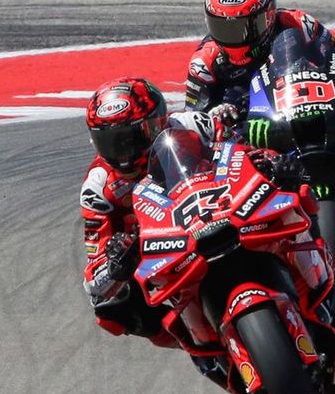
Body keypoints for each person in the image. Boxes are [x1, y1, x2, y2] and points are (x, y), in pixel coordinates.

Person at [186, 0, 335, 308]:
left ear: (267, 17)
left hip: (305, 111)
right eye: (223, 27)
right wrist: (217, 117)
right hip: (253, 136)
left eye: (244, 26)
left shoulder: (300, 26)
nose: (235, 36)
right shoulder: (205, 62)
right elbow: (195, 121)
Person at [80, 77, 299, 346]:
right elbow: (94, 283)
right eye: (110, 142)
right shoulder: (98, 187)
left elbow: (247, 153)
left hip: (229, 214)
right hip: (169, 254)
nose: (123, 152)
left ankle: (320, 279)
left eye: (130, 138)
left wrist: (272, 162)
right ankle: (197, 346)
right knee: (113, 311)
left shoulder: (195, 125)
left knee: (295, 193)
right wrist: (116, 263)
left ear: (157, 122)